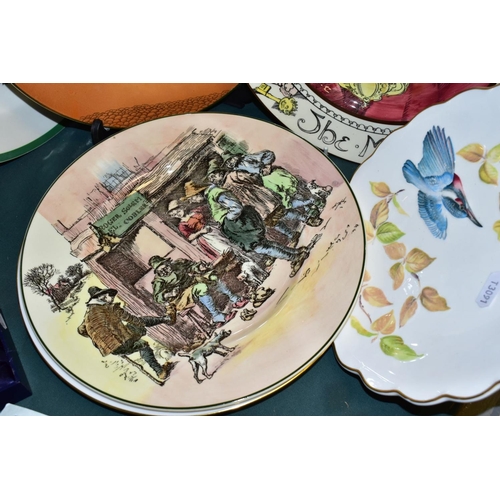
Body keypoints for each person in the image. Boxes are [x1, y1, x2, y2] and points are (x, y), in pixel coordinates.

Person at [204, 163, 312, 278]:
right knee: (265, 239)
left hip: (251, 207)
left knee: (262, 243)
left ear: (219, 172)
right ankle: (296, 253)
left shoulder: (221, 187)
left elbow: (236, 206)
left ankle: (295, 256)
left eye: (213, 176)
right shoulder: (217, 190)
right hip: (245, 214)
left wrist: (229, 218)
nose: (213, 179)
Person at [77, 286, 175, 381]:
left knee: (135, 333)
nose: (112, 298)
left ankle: (166, 320)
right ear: (103, 297)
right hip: (122, 342)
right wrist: (141, 323)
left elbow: (81, 330)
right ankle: (167, 319)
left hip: (112, 349)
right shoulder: (111, 307)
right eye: (110, 295)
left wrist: (100, 340)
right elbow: (133, 319)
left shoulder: (88, 315)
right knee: (142, 337)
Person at [149, 255, 248, 328]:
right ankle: (216, 316)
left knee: (212, 277)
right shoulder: (158, 281)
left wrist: (199, 267)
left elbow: (192, 266)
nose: (165, 271)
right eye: (161, 271)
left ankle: (235, 299)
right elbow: (157, 298)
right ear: (157, 272)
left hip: (192, 284)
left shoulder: (179, 263)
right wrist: (170, 294)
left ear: (168, 262)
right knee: (201, 287)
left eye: (166, 267)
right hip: (181, 297)